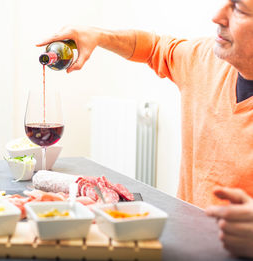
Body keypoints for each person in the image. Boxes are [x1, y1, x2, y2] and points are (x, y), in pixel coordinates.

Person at [37, 0, 253, 258]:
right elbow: (153, 47)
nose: (217, 16)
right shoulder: (204, 60)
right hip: (184, 244)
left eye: (239, 8)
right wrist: (97, 36)